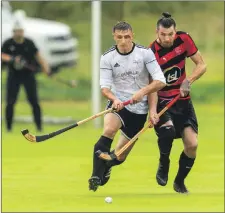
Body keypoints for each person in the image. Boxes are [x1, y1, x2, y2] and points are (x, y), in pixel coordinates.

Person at [89, 21, 166, 192]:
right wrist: (114, 99)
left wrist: (144, 95)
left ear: (133, 36)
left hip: (140, 110)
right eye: (119, 37)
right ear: (114, 37)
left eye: (127, 37)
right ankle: (95, 175)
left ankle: (108, 165)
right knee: (109, 130)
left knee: (120, 155)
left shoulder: (145, 54)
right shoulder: (107, 57)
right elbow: (105, 88)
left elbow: (160, 81)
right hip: (119, 104)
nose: (123, 41)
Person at [148, 12, 207, 193]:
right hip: (163, 101)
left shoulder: (184, 39)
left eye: (170, 34)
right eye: (163, 35)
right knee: (168, 131)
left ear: (175, 32)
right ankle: (164, 162)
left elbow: (201, 65)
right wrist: (152, 112)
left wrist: (188, 80)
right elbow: (152, 87)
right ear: (157, 32)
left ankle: (179, 182)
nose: (167, 38)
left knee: (192, 144)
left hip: (183, 102)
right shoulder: (151, 53)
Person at [2, 19, 50, 132]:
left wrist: (46, 69)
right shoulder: (8, 43)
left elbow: (38, 56)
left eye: (20, 31)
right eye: (16, 31)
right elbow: (2, 55)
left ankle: (39, 127)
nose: (18, 33)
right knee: (10, 102)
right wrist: (12, 59)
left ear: (23, 32)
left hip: (28, 76)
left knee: (34, 102)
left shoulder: (29, 43)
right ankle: (9, 128)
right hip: (13, 76)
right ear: (13, 32)